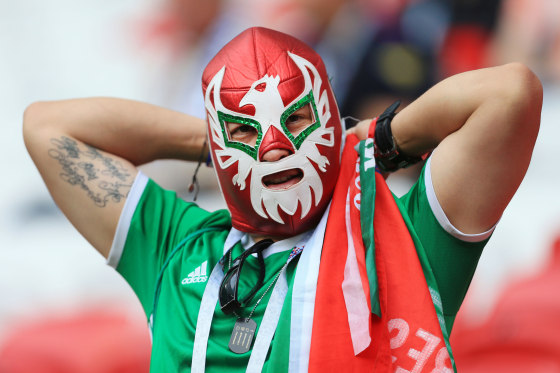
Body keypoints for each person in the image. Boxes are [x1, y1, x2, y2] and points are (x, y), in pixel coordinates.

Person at [23, 27, 541, 372]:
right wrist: (210, 140)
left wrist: (373, 140)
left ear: (327, 113)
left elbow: (510, 95)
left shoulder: (397, 238)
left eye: (296, 118)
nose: (276, 147)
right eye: (247, 131)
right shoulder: (175, 247)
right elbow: (48, 128)